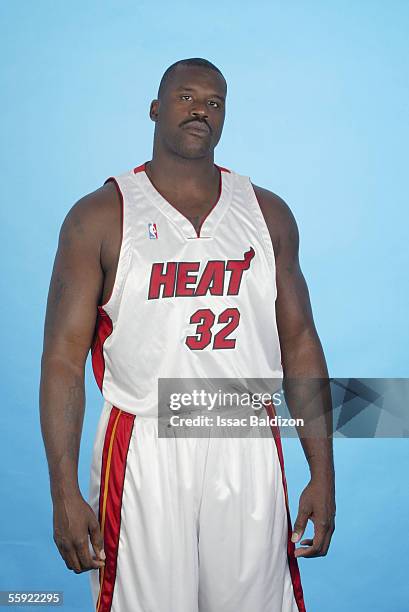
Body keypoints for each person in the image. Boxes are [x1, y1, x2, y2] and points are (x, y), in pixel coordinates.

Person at [40, 57, 335, 612]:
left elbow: (300, 344)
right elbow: (61, 359)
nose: (201, 109)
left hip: (245, 439)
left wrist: (322, 473)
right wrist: (63, 490)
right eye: (186, 96)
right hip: (145, 445)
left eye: (214, 102)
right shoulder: (100, 215)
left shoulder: (267, 214)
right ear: (155, 109)